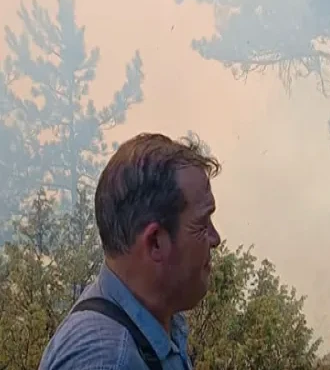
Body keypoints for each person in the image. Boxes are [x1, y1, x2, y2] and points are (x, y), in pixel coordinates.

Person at [39, 133, 222, 370]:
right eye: (202, 223)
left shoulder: (156, 322)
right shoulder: (108, 360)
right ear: (155, 242)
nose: (215, 238)